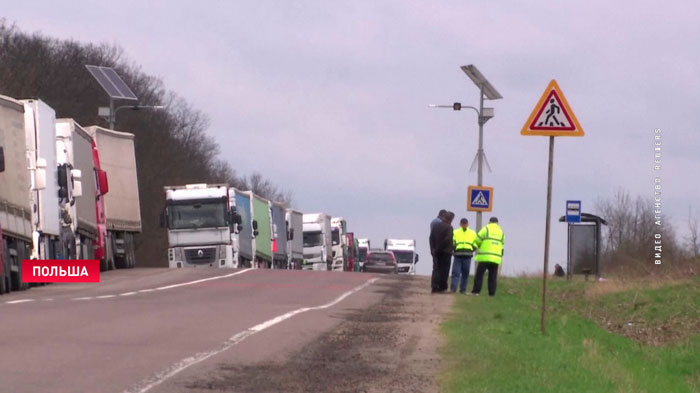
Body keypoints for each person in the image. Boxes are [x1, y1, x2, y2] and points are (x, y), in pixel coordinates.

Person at [471, 216, 505, 296]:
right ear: (497, 223)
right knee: (493, 276)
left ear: (489, 222)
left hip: (485, 256)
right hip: (496, 258)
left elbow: (477, 239)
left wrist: (478, 246)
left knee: (479, 275)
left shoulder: (486, 229)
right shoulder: (501, 232)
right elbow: (502, 244)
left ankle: (476, 291)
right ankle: (492, 293)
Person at [430, 211, 454, 293]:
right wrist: (439, 248)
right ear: (450, 219)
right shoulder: (449, 228)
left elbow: (431, 238)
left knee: (436, 269)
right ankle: (442, 287)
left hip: (435, 252)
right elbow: (447, 240)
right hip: (445, 252)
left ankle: (434, 286)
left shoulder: (436, 226)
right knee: (444, 270)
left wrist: (433, 249)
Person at [451, 218, 477, 294]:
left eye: (465, 223)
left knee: (465, 273)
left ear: (467, 224)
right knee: (456, 273)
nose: (464, 225)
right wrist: (454, 249)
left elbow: (476, 243)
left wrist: (472, 249)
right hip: (458, 255)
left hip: (467, 255)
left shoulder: (472, 233)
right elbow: (453, 242)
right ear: (460, 224)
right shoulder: (455, 232)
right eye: (463, 223)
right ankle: (453, 289)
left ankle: (463, 289)